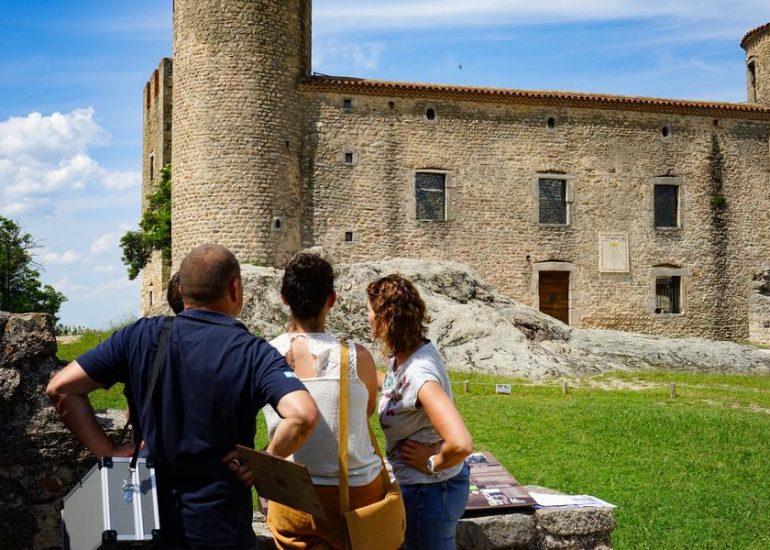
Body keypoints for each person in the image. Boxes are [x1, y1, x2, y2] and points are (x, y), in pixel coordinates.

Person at [46, 244, 320, 550]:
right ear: (235, 289)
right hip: (222, 526)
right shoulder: (253, 352)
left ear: (181, 288)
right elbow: (303, 414)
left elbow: (62, 387)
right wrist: (267, 458)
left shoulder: (139, 336)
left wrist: (107, 451)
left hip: (150, 521)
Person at [262, 252, 384, 549]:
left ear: (283, 299)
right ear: (331, 300)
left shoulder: (264, 356)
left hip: (295, 498)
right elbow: (365, 412)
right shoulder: (359, 357)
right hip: (357, 497)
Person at [366, 274, 473, 550]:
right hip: (423, 490)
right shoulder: (406, 352)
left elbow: (461, 443)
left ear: (385, 318)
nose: (366, 318)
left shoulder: (420, 374)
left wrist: (432, 461)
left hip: (431, 492)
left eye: (369, 311)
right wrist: (357, 370)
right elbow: (396, 387)